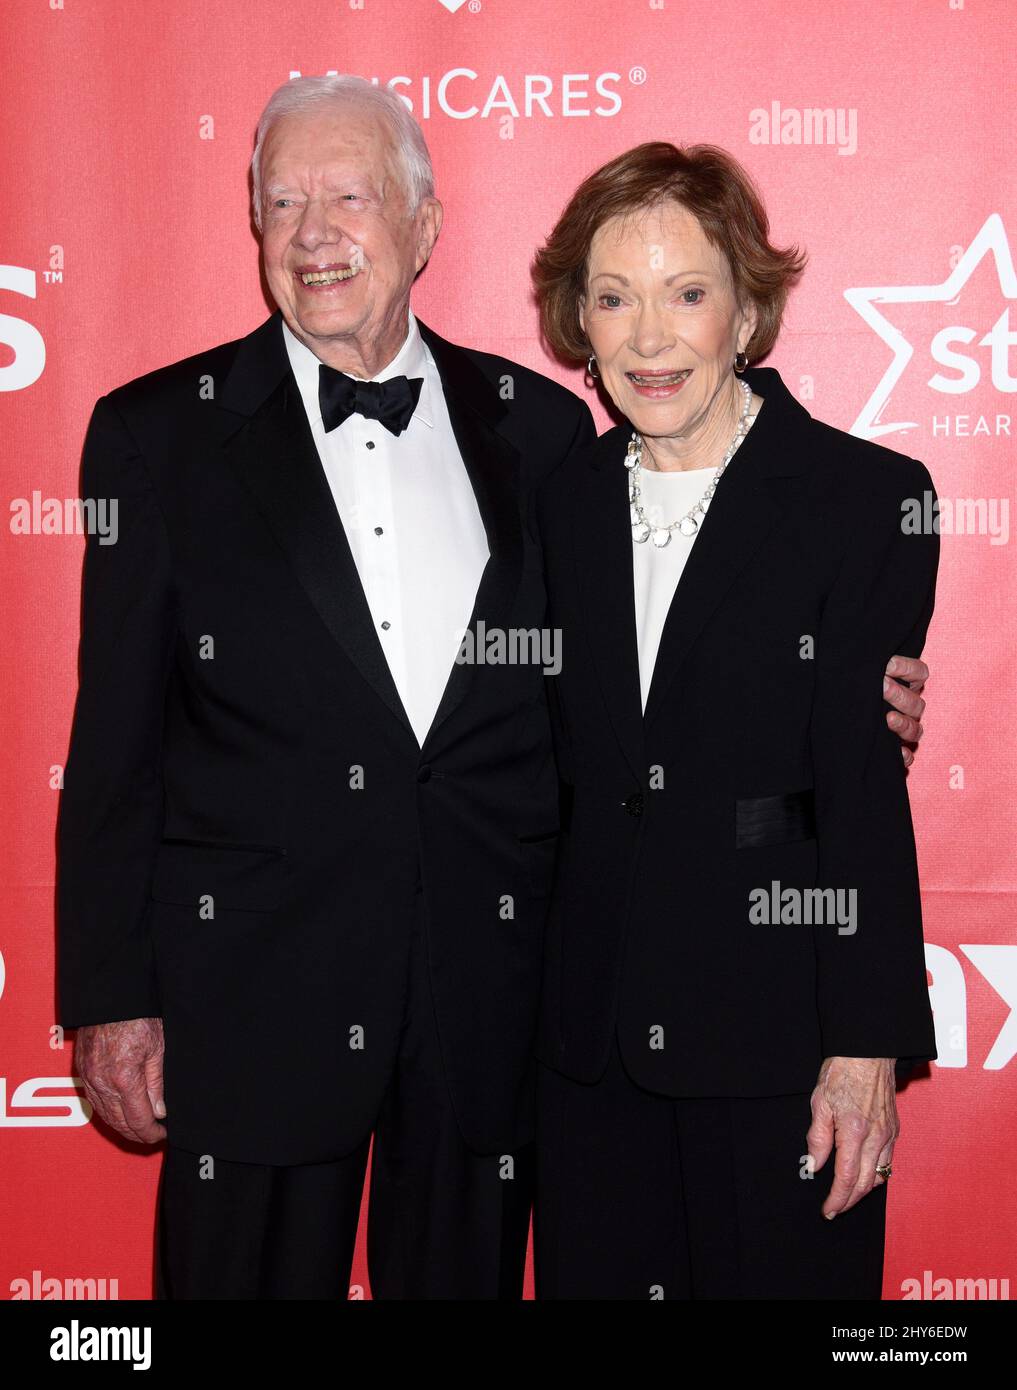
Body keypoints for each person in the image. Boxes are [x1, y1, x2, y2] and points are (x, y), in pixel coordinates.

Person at [55, 84, 928, 1301]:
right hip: (259, 1003)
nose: (315, 233)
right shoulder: (158, 437)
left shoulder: (535, 438)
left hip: (496, 1011)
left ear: (424, 226)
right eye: (284, 203)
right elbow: (114, 747)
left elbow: (727, 740)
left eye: (350, 196)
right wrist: (111, 993)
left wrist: (860, 723)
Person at [529, 141, 939, 1300]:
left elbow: (857, 794)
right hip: (590, 1056)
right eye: (615, 298)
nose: (649, 337)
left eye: (687, 293)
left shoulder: (866, 501)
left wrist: (863, 1048)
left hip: (781, 1048)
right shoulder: (556, 505)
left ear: (748, 312)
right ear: (580, 320)